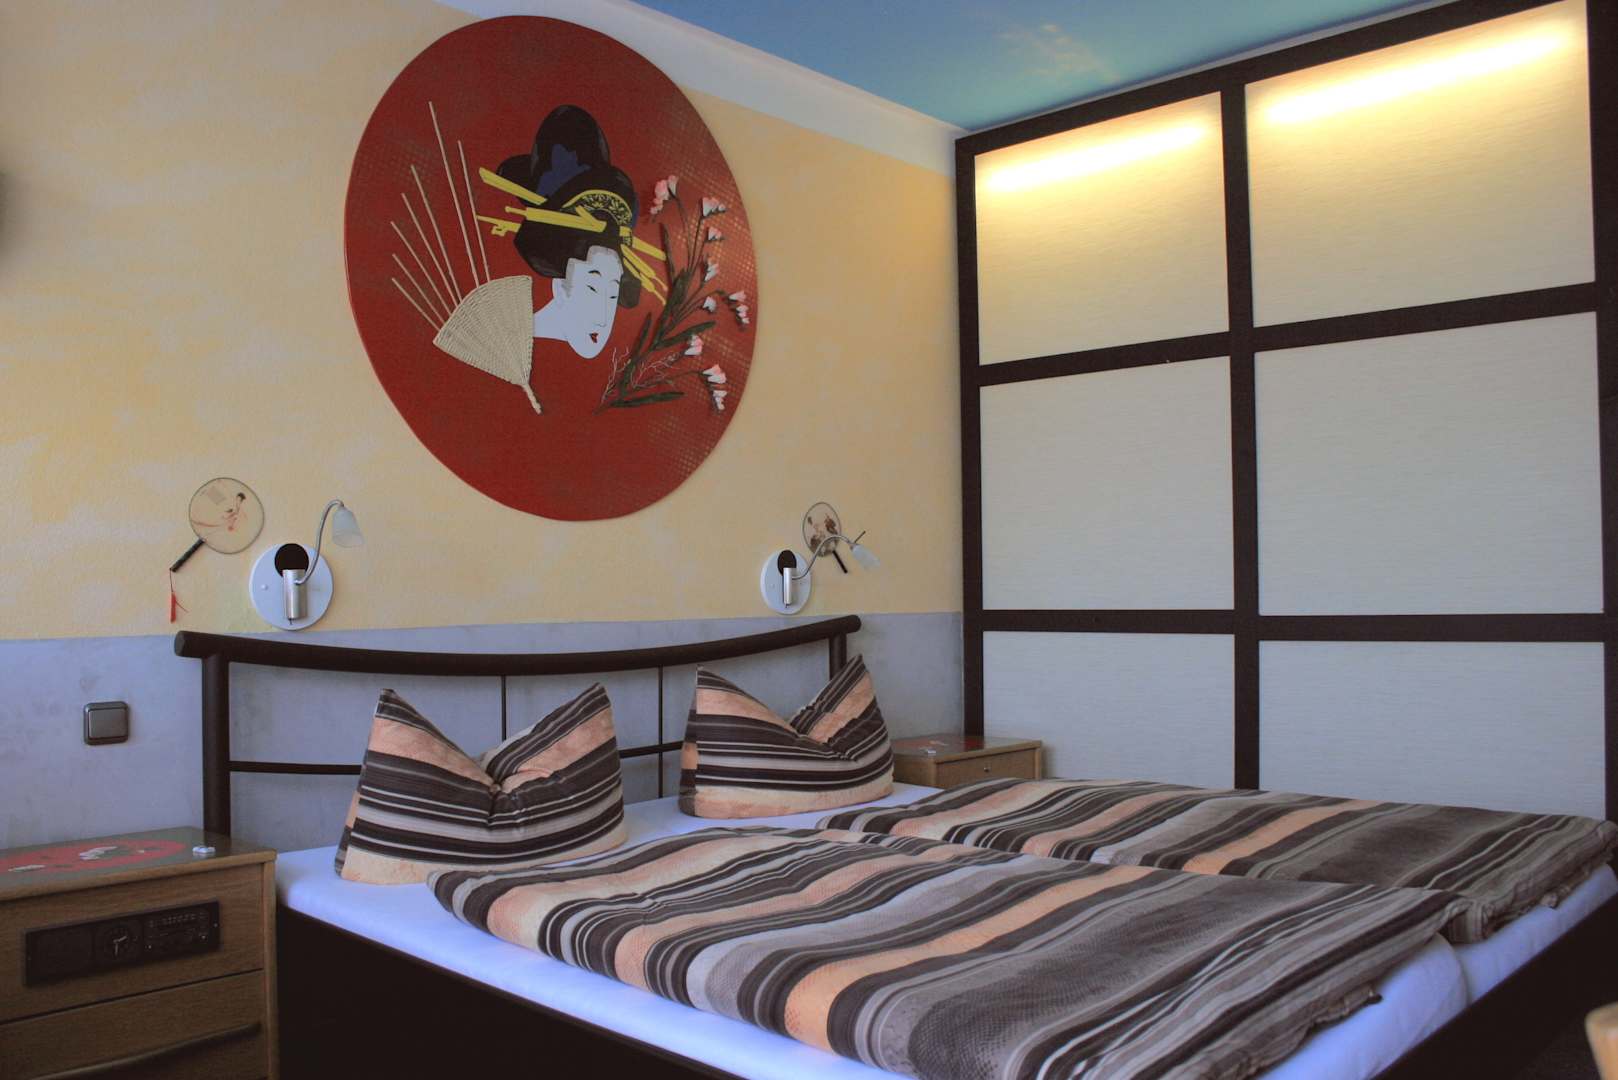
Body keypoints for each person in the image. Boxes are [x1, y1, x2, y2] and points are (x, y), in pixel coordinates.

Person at [491, 105, 662, 361]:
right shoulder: (510, 343)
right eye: (592, 288)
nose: (602, 318)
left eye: (612, 294)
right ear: (560, 287)